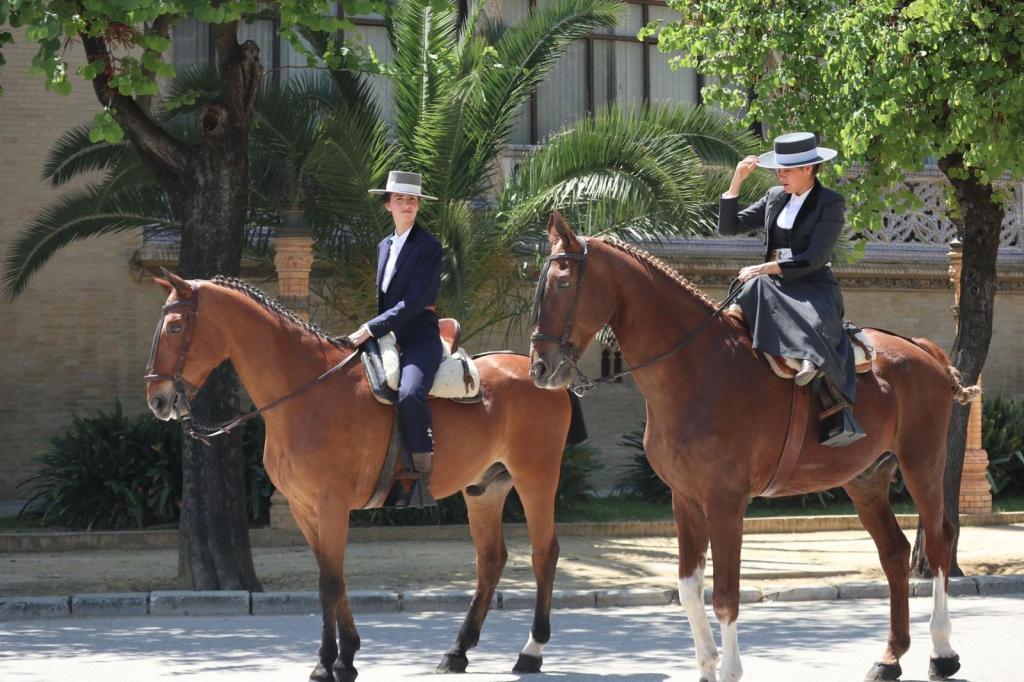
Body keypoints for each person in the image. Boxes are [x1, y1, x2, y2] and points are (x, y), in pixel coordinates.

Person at [720, 132, 864, 446]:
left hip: (813, 285)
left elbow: (815, 257)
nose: (780, 175)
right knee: (749, 289)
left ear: (808, 168)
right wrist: (736, 182)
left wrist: (764, 268)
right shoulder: (774, 196)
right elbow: (729, 227)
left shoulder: (830, 202)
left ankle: (813, 365)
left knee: (760, 284)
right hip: (772, 284)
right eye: (778, 170)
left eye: (786, 170)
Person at [346, 170, 444, 506]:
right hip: (388, 336)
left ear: (418, 206)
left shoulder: (429, 247)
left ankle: (421, 476)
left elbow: (414, 303)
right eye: (400, 199)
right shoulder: (384, 246)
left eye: (412, 199)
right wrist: (376, 331)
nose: (407, 204)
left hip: (419, 335)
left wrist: (370, 328)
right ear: (388, 205)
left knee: (410, 393)